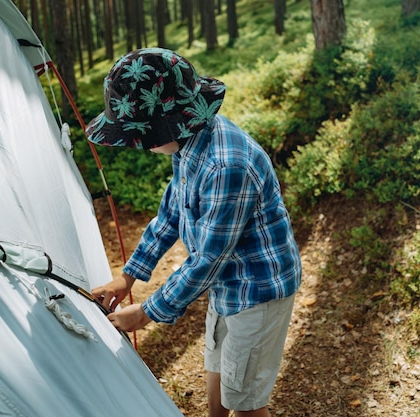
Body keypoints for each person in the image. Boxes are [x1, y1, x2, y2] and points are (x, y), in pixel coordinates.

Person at [86, 47, 302, 417]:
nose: (142, 146)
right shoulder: (187, 145)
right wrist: (128, 277)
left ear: (163, 127)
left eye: (142, 136)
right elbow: (170, 213)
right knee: (218, 377)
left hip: (258, 291)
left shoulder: (226, 166)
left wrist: (146, 313)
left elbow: (207, 260)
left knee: (246, 402)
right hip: (227, 287)